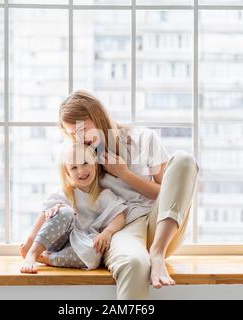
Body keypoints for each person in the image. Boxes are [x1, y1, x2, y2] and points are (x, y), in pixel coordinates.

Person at [58, 90, 200, 299]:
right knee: (134, 263)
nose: (80, 139)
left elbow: (169, 194)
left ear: (98, 118)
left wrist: (124, 174)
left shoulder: (144, 139)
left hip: (160, 225)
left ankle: (157, 254)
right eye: (72, 135)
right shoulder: (83, 158)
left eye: (83, 130)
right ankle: (148, 257)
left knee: (183, 160)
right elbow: (68, 193)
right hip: (121, 229)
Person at [20, 143, 127, 274]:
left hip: (79, 245)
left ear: (95, 164)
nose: (81, 171)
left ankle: (49, 259)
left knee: (94, 254)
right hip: (57, 239)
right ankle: (34, 254)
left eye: (85, 163)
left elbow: (119, 216)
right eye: (74, 168)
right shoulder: (63, 193)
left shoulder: (104, 195)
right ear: (68, 173)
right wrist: (29, 244)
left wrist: (108, 232)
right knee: (65, 211)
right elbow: (42, 219)